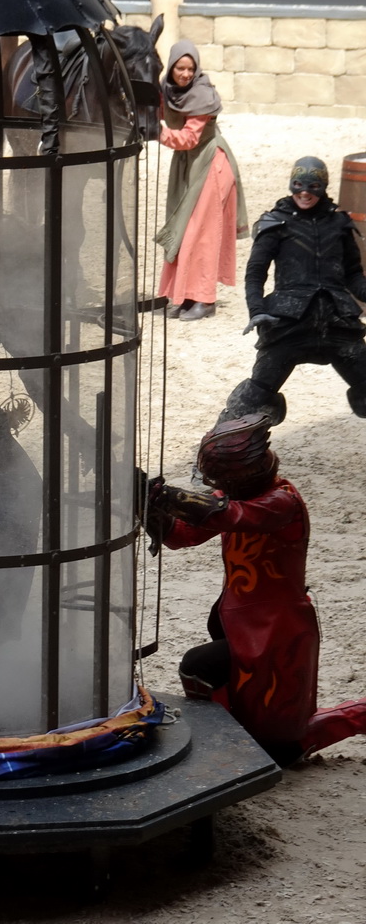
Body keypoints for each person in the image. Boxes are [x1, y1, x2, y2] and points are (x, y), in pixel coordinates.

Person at [144, 414, 366, 766]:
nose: (219, 486)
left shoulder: (282, 501)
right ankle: (226, 739)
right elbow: (181, 535)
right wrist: (148, 507)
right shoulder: (232, 497)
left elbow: (230, 515)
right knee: (204, 670)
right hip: (243, 625)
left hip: (278, 633)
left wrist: (162, 494)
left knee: (283, 742)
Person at [218, 156, 366, 426]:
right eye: (298, 185)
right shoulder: (275, 223)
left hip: (338, 326)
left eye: (313, 186)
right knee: (251, 402)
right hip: (288, 327)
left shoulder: (339, 225)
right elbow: (255, 274)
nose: (305, 193)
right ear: (291, 185)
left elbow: (354, 275)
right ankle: (218, 458)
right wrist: (257, 311)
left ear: (324, 187)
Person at [154, 40, 248, 321]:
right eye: (180, 68)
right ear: (171, 68)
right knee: (184, 230)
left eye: (190, 69)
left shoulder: (202, 95)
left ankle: (205, 300)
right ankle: (183, 294)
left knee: (202, 234)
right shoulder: (168, 91)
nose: (184, 74)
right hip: (188, 165)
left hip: (210, 165)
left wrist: (154, 132)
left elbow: (189, 138)